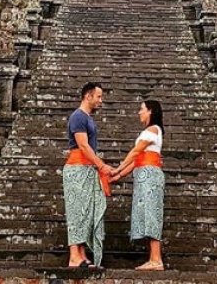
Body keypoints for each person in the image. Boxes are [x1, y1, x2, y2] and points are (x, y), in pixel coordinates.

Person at [109, 100, 166, 271]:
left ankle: (156, 260)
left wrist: (117, 167)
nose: (139, 113)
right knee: (147, 213)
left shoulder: (153, 129)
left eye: (141, 109)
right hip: (144, 175)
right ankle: (153, 258)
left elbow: (135, 153)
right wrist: (118, 175)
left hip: (149, 176)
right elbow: (137, 161)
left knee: (151, 213)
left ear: (150, 111)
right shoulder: (150, 131)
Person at [64, 82, 114, 268]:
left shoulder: (87, 118)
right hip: (77, 169)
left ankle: (82, 254)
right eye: (99, 96)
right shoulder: (78, 117)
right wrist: (101, 165)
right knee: (77, 211)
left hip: (86, 169)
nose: (101, 100)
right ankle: (73, 256)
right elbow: (83, 146)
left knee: (86, 211)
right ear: (88, 96)